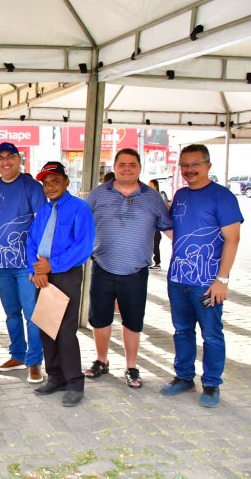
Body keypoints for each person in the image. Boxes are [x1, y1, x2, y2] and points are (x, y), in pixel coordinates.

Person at [160, 144, 242, 408]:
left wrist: (222, 280)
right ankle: (184, 377)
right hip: (178, 281)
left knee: (211, 333)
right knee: (182, 330)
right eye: (184, 165)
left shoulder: (223, 197)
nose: (189, 170)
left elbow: (233, 239)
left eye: (195, 164)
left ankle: (211, 383)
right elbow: (176, 231)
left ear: (208, 165)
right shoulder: (181, 195)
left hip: (207, 285)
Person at [85, 149, 172, 388]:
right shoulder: (97, 194)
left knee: (133, 321)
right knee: (100, 319)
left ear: (139, 168)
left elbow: (168, 228)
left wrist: (191, 249)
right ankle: (101, 361)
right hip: (102, 265)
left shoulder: (152, 198)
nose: (126, 168)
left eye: (132, 164)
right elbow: (79, 225)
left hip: (136, 270)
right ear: (115, 166)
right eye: (122, 164)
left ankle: (132, 366)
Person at [0, 142, 47, 383]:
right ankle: (17, 354)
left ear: (19, 159)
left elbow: (43, 222)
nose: (5, 162)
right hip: (0, 264)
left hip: (27, 265)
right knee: (11, 313)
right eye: (0, 158)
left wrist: (39, 261)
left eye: (10, 157)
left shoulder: (31, 186)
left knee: (32, 313)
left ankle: (35, 361)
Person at [27, 161, 94, 407]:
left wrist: (51, 266)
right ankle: (55, 376)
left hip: (65, 273)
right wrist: (36, 270)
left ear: (66, 182)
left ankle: (74, 381)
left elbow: (84, 246)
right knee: (46, 326)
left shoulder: (79, 209)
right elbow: (32, 243)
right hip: (42, 274)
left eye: (55, 181)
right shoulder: (44, 212)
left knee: (65, 331)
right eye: (46, 183)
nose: (50, 186)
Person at [148, 179, 165, 269]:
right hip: (150, 227)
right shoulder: (149, 197)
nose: (148, 188)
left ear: (155, 187)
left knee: (155, 245)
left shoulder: (157, 198)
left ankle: (157, 262)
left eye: (150, 186)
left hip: (156, 227)